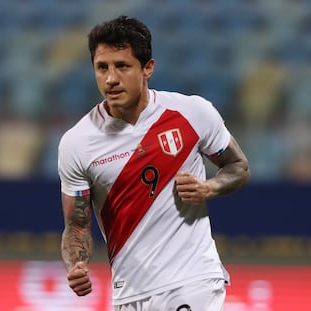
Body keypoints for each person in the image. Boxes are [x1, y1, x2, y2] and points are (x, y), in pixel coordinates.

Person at [58, 15, 250, 311]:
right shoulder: (78, 143)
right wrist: (77, 263)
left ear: (147, 68)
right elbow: (77, 225)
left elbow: (238, 166)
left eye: (122, 66)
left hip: (192, 279)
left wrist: (208, 188)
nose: (110, 79)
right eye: (102, 68)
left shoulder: (193, 113)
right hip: (129, 292)